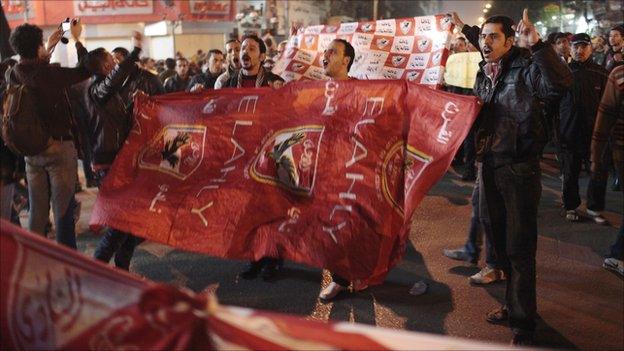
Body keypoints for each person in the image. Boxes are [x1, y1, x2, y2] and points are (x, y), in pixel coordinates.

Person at [472, 11, 572, 345]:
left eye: (493, 37)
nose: (486, 42)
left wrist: (540, 45)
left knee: (519, 247)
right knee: (499, 247)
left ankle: (523, 322)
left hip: (519, 168)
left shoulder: (527, 68)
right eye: (483, 36)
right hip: (489, 165)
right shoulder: (484, 72)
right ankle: (511, 305)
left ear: (511, 40)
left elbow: (561, 83)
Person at [8, 21, 91, 248]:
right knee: (63, 209)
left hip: (31, 151)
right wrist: (76, 39)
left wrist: (50, 46)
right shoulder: (50, 74)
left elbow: (33, 70)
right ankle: (67, 260)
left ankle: (34, 256)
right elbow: (87, 69)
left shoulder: (13, 73)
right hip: (58, 149)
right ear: (37, 48)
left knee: (37, 211)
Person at [219, 35, 282, 280]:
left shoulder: (275, 82)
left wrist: (284, 93)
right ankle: (253, 257)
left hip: (268, 157)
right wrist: (198, 94)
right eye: (243, 48)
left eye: (252, 48)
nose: (245, 51)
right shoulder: (227, 82)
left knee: (270, 210)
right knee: (245, 211)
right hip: (239, 156)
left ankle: (273, 260)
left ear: (262, 57)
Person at [84, 31, 145, 270]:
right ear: (102, 66)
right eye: (111, 60)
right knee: (121, 223)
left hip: (120, 159)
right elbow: (116, 78)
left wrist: (135, 103)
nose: (115, 63)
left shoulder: (107, 93)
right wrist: (136, 50)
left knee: (130, 223)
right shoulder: (98, 89)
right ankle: (96, 269)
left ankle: (121, 271)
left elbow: (118, 120)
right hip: (108, 164)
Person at [316, 39, 358, 301]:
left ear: (346, 61)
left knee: (347, 224)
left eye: (332, 52)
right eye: (324, 52)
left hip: (350, 167)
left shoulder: (359, 90)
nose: (325, 56)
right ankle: (341, 275)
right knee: (326, 225)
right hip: (319, 168)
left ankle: (344, 278)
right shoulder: (314, 90)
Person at [557, 33, 609, 223]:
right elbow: (553, 103)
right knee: (570, 171)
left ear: (590, 49)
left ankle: (595, 207)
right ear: (570, 49)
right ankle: (571, 206)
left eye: (583, 47)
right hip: (569, 132)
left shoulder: (601, 73)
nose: (579, 50)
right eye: (576, 47)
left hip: (595, 133)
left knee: (598, 170)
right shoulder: (563, 73)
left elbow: (609, 104)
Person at [591, 65, 624, 276]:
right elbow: (604, 116)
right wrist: (596, 155)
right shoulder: (619, 74)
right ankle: (617, 256)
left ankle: (616, 255)